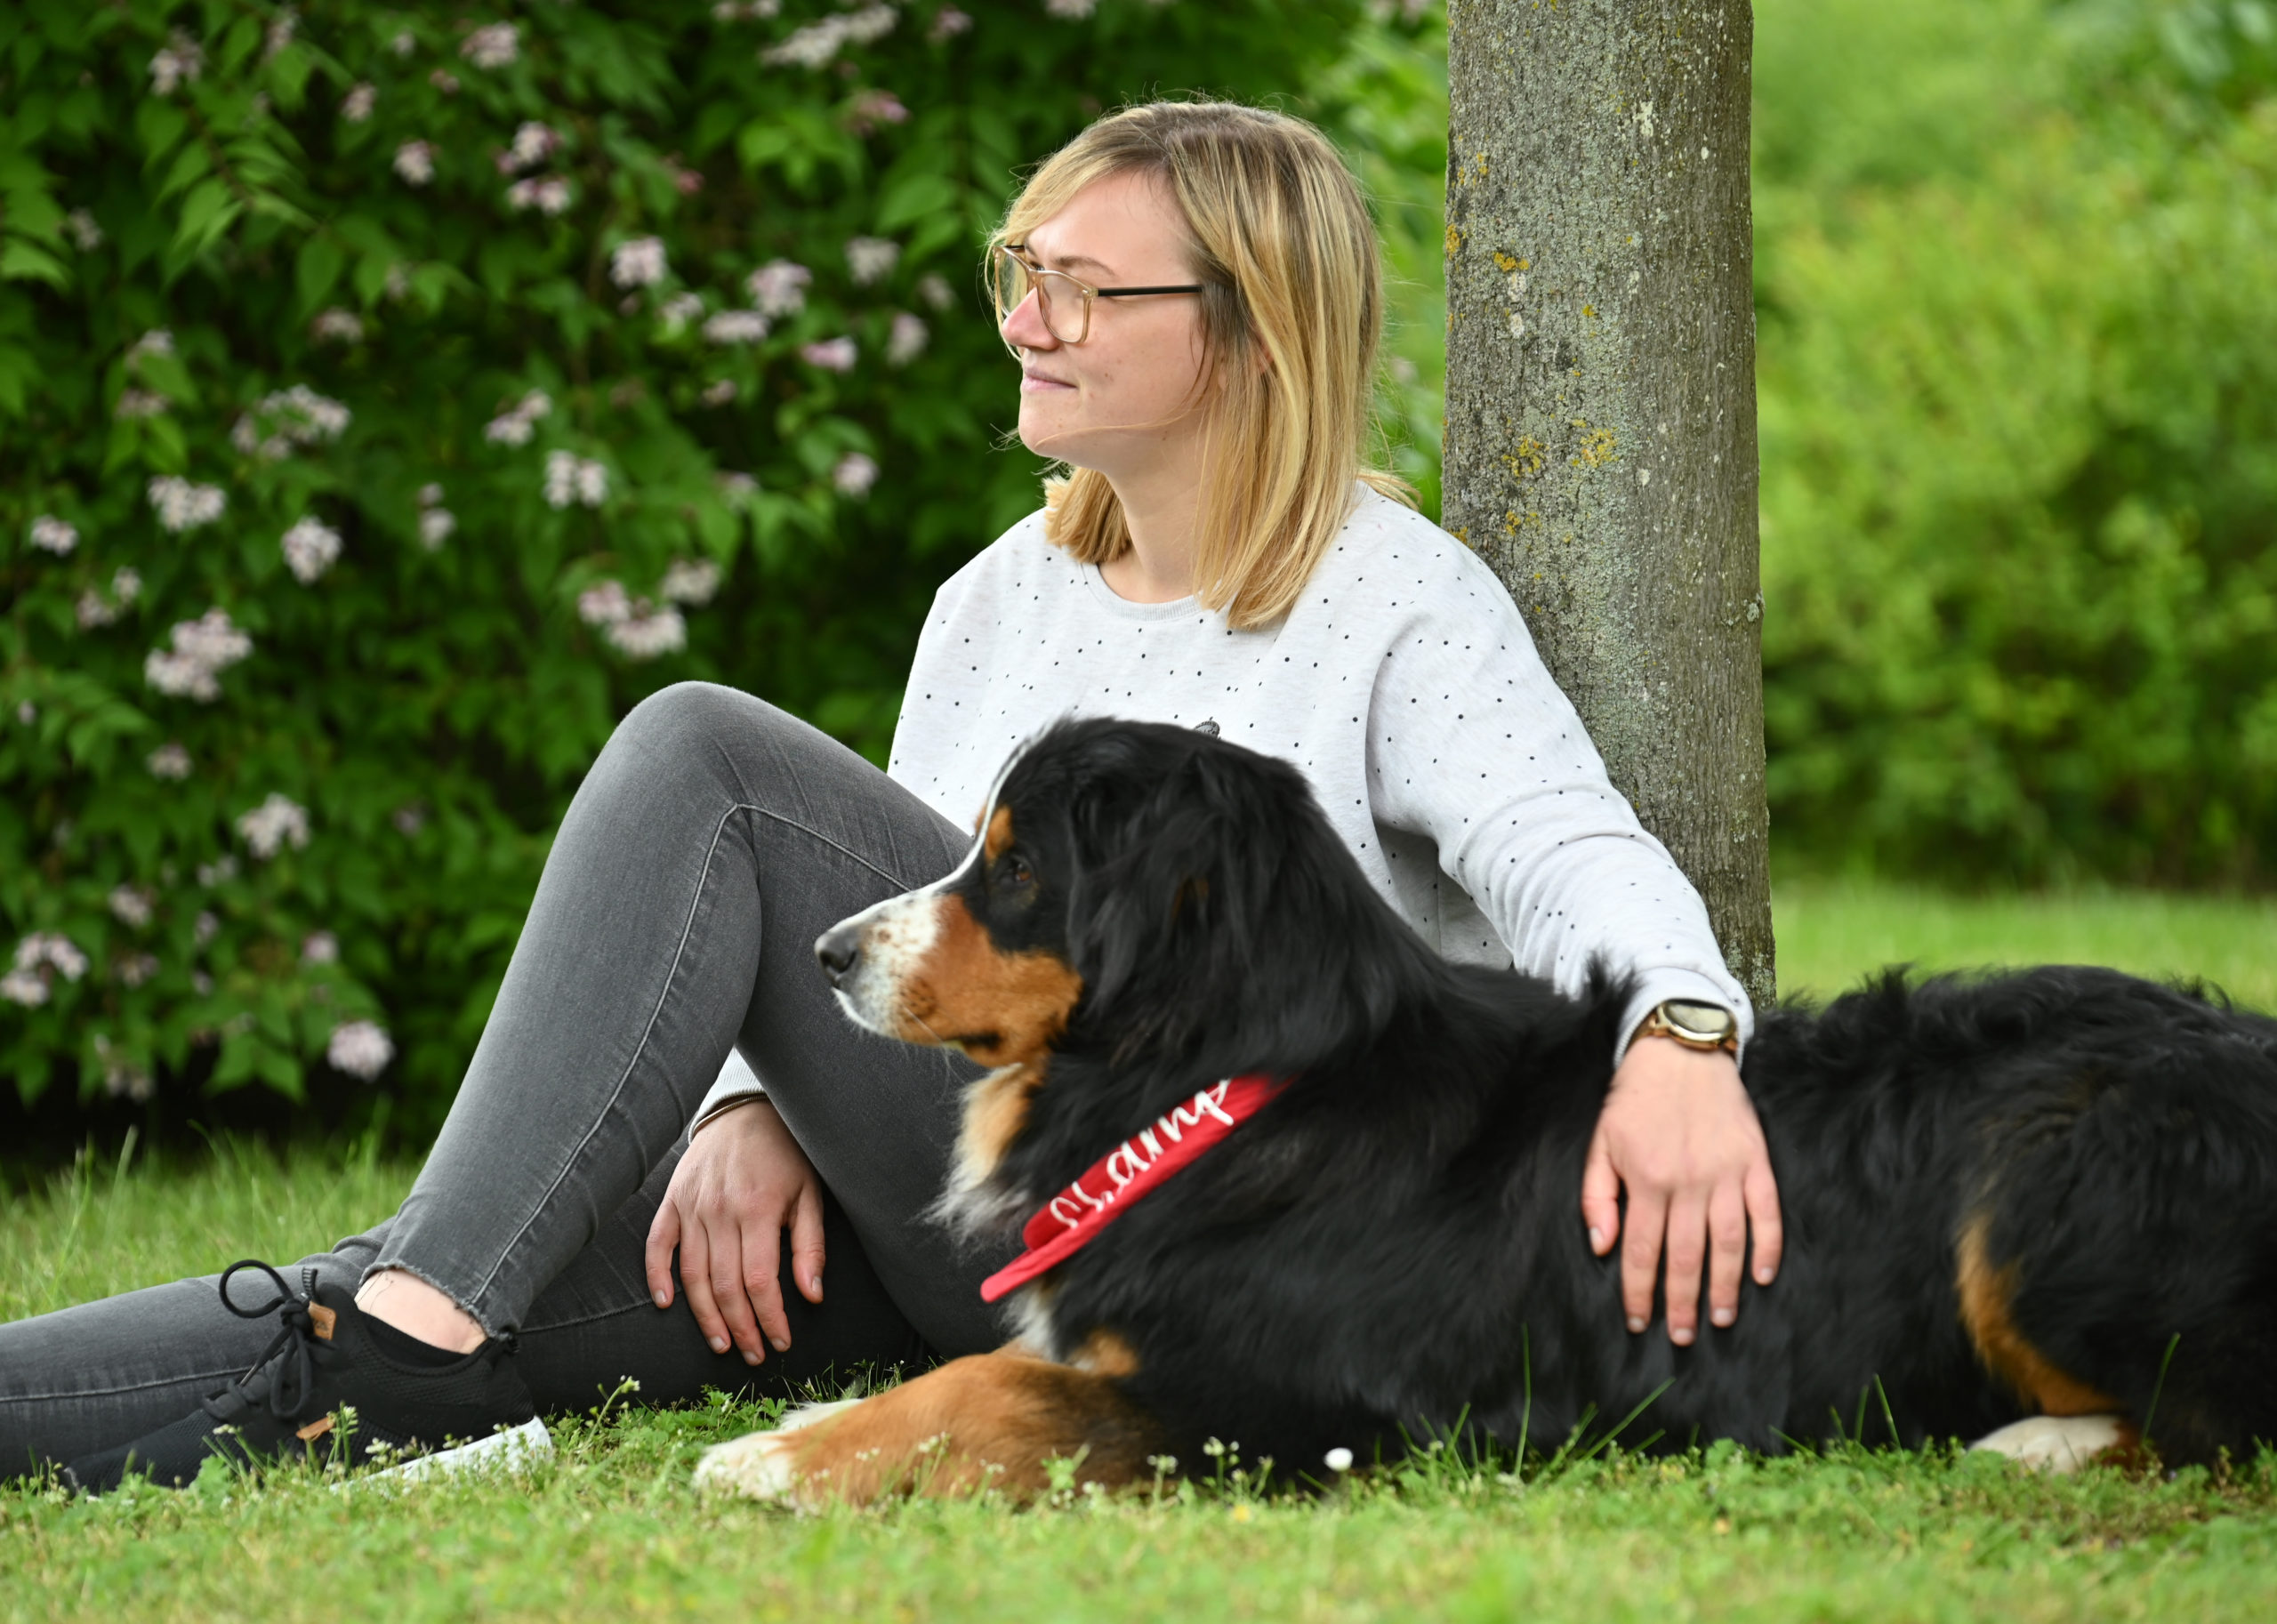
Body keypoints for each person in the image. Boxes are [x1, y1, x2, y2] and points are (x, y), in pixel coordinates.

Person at [0, 100, 1781, 1488]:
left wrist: (1681, 1034)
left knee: (710, 762)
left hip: (1203, 1229)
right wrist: (739, 1112)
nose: (1029, 316)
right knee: (402, 1291)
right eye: (1022, 269)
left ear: (1246, 334)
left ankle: (420, 1317)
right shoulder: (1002, 594)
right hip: (923, 1208)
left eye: (1085, 287)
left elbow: (1566, 850)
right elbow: (882, 952)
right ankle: (391, 1331)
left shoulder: (1390, 598)